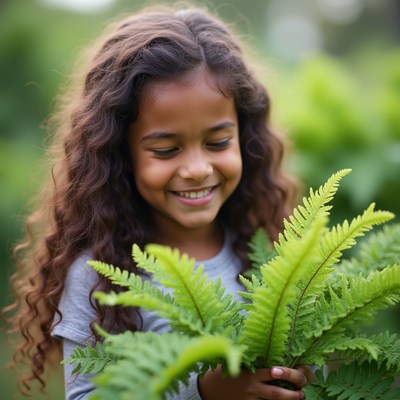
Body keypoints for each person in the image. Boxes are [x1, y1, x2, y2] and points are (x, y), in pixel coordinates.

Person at [3, 3, 314, 399]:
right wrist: (203, 391)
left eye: (217, 142)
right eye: (167, 150)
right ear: (120, 155)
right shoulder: (98, 277)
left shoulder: (271, 249)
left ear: (245, 137)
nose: (198, 169)